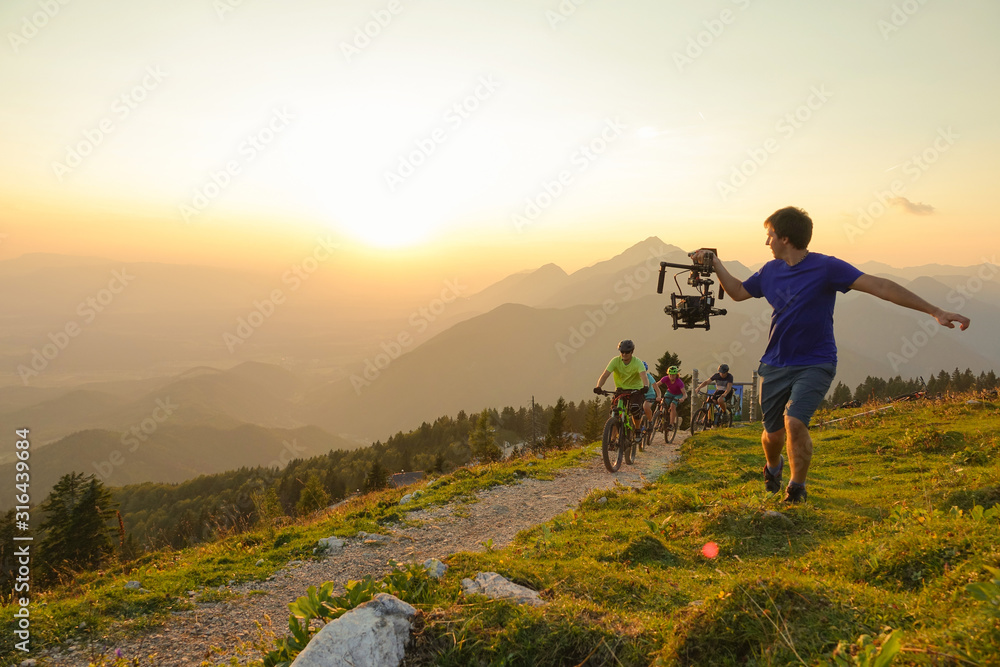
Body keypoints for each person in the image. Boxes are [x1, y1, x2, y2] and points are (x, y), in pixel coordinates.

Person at [691, 206, 970, 503]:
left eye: (769, 235)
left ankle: (796, 489)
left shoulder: (826, 267)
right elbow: (737, 291)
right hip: (774, 362)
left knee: (795, 422)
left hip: (816, 361)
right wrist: (716, 263)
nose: (766, 242)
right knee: (772, 435)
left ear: (784, 238)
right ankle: (773, 466)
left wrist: (935, 311)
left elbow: (881, 286)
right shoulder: (770, 271)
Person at [594, 339, 650, 427]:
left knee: (635, 409)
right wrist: (598, 386)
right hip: (620, 390)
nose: (624, 354)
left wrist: (645, 386)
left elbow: (644, 376)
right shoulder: (615, 361)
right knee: (615, 412)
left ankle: (637, 429)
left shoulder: (637, 362)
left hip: (636, 389)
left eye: (627, 352)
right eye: (622, 352)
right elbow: (605, 375)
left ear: (632, 352)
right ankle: (612, 439)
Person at [656, 366, 687, 431]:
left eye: (673, 375)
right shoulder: (665, 378)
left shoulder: (679, 382)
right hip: (669, 392)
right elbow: (657, 385)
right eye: (670, 374)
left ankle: (671, 424)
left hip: (678, 395)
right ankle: (661, 418)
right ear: (668, 374)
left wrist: (682, 399)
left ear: (676, 375)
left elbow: (685, 394)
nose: (671, 376)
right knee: (663, 403)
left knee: (673, 405)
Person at [641, 361, 662, 434]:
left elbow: (656, 388)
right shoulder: (634, 377)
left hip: (650, 395)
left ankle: (650, 422)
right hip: (639, 395)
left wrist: (659, 396)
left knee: (646, 407)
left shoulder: (649, 377)